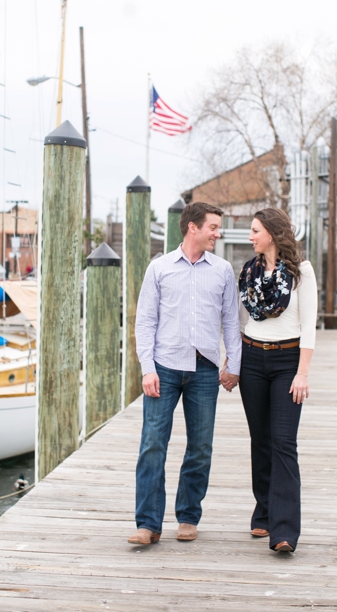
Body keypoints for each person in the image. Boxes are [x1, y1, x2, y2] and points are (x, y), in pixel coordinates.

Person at [128, 201, 242, 545]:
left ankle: (188, 516)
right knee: (152, 445)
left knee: (201, 446)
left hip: (205, 370)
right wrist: (147, 368)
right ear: (193, 227)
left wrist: (233, 366)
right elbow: (145, 322)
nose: (217, 234)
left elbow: (231, 322)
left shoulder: (222, 270)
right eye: (213, 227)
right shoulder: (160, 268)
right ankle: (148, 524)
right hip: (163, 367)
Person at [237, 207, 317, 554]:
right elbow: (239, 320)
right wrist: (233, 362)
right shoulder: (249, 272)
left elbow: (309, 327)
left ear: (271, 232)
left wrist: (302, 373)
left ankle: (284, 531)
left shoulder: (302, 273)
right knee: (260, 439)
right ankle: (265, 511)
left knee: (284, 441)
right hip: (252, 358)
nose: (250, 236)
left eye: (255, 230)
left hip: (287, 361)